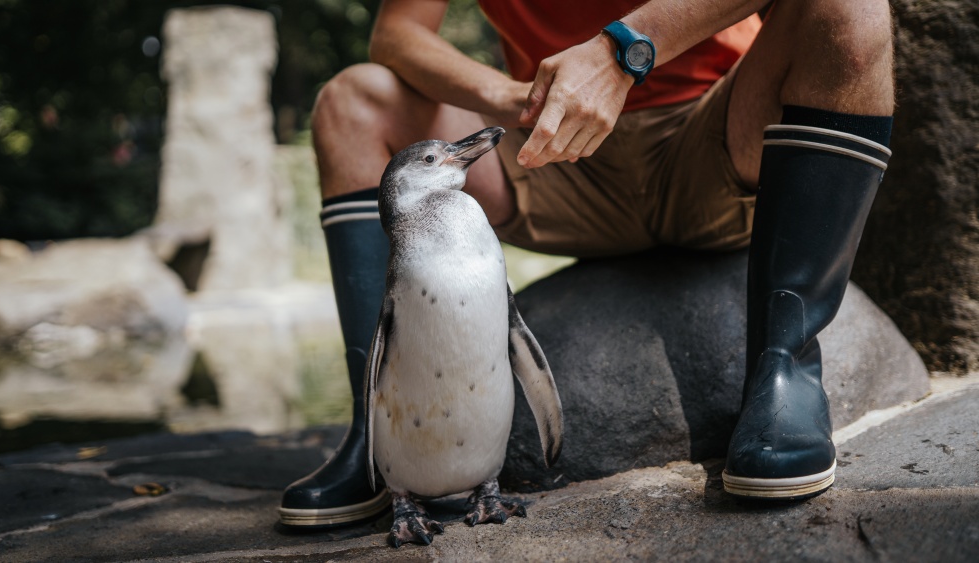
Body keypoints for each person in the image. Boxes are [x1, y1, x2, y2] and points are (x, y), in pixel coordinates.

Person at [277, 0, 895, 526]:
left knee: (850, 10)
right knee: (352, 100)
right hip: (550, 152)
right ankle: (374, 441)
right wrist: (505, 94)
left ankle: (784, 377)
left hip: (718, 142)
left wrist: (622, 49)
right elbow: (396, 34)